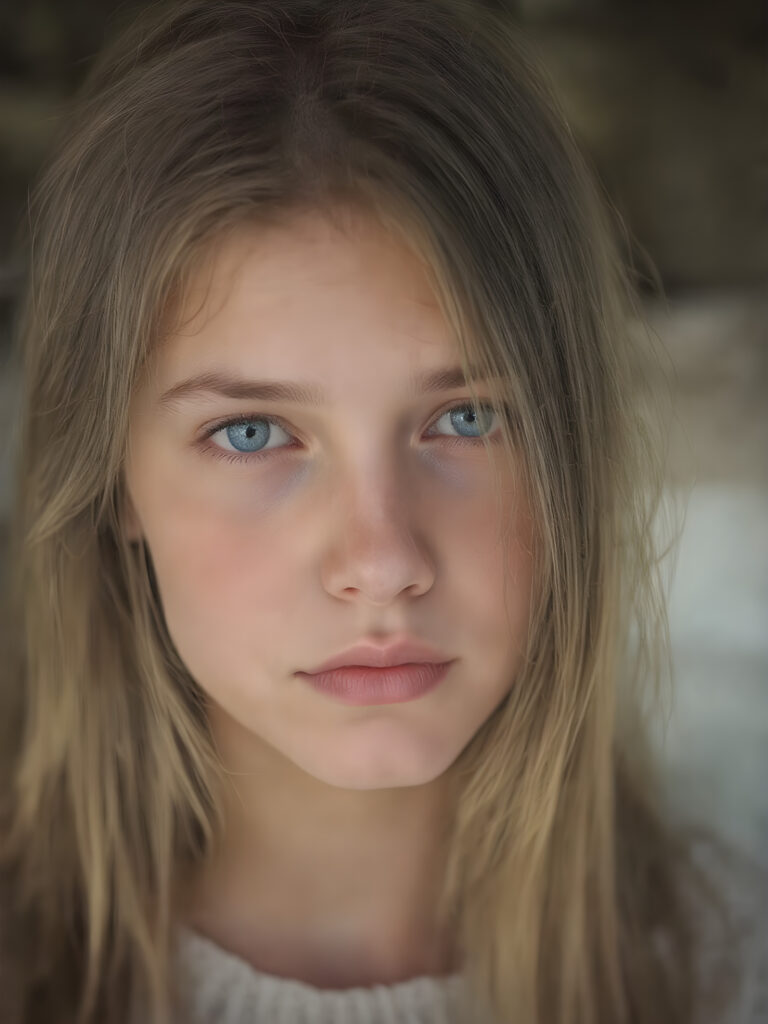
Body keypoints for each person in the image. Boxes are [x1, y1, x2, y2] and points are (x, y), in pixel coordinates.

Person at [0, 0, 764, 1022]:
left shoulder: (727, 968)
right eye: (253, 433)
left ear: (570, 452)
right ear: (114, 480)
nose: (383, 559)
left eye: (465, 416)